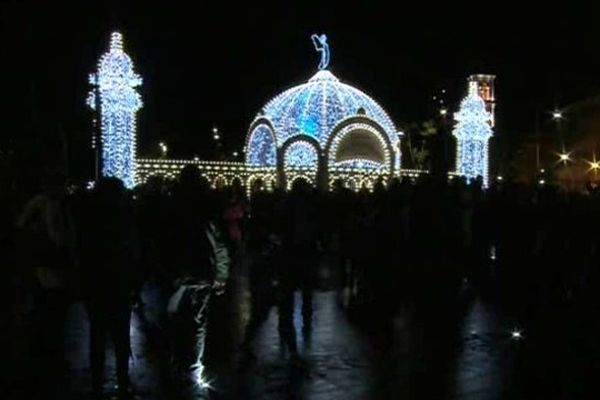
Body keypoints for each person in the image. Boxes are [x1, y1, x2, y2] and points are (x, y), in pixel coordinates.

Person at [166, 166, 230, 396]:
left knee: (175, 320)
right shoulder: (208, 207)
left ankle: (176, 366)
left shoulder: (170, 206)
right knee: (197, 324)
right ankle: (193, 371)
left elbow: (160, 242)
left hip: (178, 275)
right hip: (202, 273)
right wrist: (221, 275)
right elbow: (220, 243)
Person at [78, 177, 140, 400]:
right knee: (121, 337)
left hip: (96, 285)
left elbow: (82, 253)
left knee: (97, 336)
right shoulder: (124, 218)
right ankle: (123, 383)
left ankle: (97, 384)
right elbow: (133, 252)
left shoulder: (88, 219)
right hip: (119, 285)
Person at [17, 169, 76, 397]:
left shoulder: (60, 206)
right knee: (46, 317)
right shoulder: (39, 205)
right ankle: (44, 364)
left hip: (54, 268)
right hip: (44, 268)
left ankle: (50, 360)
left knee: (54, 317)